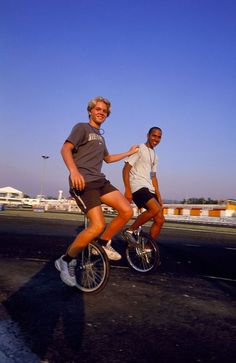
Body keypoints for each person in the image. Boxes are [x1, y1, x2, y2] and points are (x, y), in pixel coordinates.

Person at [55, 96, 139, 287]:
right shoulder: (81, 128)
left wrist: (128, 153)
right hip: (83, 182)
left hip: (99, 180)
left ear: (107, 115)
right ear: (90, 111)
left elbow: (108, 159)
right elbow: (65, 149)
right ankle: (65, 261)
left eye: (104, 111)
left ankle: (101, 244)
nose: (101, 112)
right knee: (97, 225)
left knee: (127, 210)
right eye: (98, 109)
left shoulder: (100, 136)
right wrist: (74, 171)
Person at [122, 127, 165, 247]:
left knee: (160, 219)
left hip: (149, 187)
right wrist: (127, 190)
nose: (156, 139)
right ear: (148, 135)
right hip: (137, 186)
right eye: (154, 135)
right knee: (155, 209)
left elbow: (153, 176)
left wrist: (159, 195)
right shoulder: (139, 149)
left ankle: (148, 248)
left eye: (159, 137)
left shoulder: (155, 155)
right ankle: (130, 231)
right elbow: (125, 169)